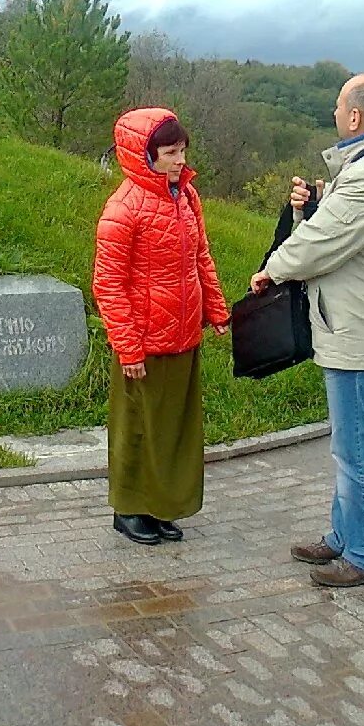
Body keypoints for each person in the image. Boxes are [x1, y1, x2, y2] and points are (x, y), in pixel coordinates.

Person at [249, 73, 364, 587]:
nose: (333, 115)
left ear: (354, 118)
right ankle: (345, 536)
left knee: (357, 451)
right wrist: (315, 199)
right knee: (349, 446)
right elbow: (338, 223)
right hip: (356, 328)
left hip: (360, 336)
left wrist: (273, 269)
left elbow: (324, 242)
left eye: (337, 108)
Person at [94, 108, 230, 545]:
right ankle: (130, 509)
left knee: (173, 427)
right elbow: (108, 284)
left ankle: (161, 506)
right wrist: (128, 348)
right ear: (142, 154)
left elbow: (200, 257)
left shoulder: (186, 197)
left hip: (183, 334)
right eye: (169, 152)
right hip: (145, 342)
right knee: (138, 425)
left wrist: (216, 310)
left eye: (182, 149)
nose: (179, 159)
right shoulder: (123, 209)